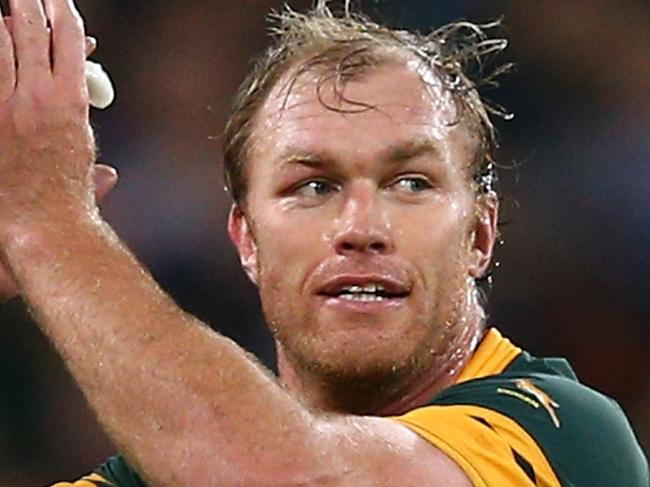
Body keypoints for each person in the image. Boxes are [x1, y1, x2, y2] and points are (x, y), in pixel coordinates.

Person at [0, 1, 646, 486]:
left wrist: (46, 221)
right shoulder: (159, 471)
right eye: (313, 186)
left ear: (479, 234)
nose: (360, 227)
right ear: (246, 240)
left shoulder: (563, 434)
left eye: (411, 183)